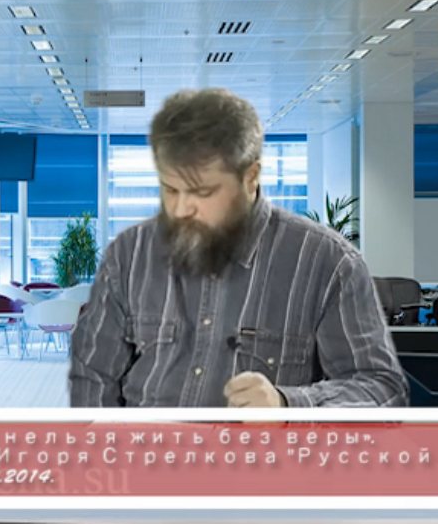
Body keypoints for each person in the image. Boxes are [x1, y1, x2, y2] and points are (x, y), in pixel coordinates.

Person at [69, 88, 408, 407]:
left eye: (202, 192)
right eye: (170, 189)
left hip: (258, 451)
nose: (181, 209)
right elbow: (93, 375)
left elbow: (380, 387)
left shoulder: (328, 263)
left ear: (250, 177)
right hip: (148, 448)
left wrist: (287, 403)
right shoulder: (130, 254)